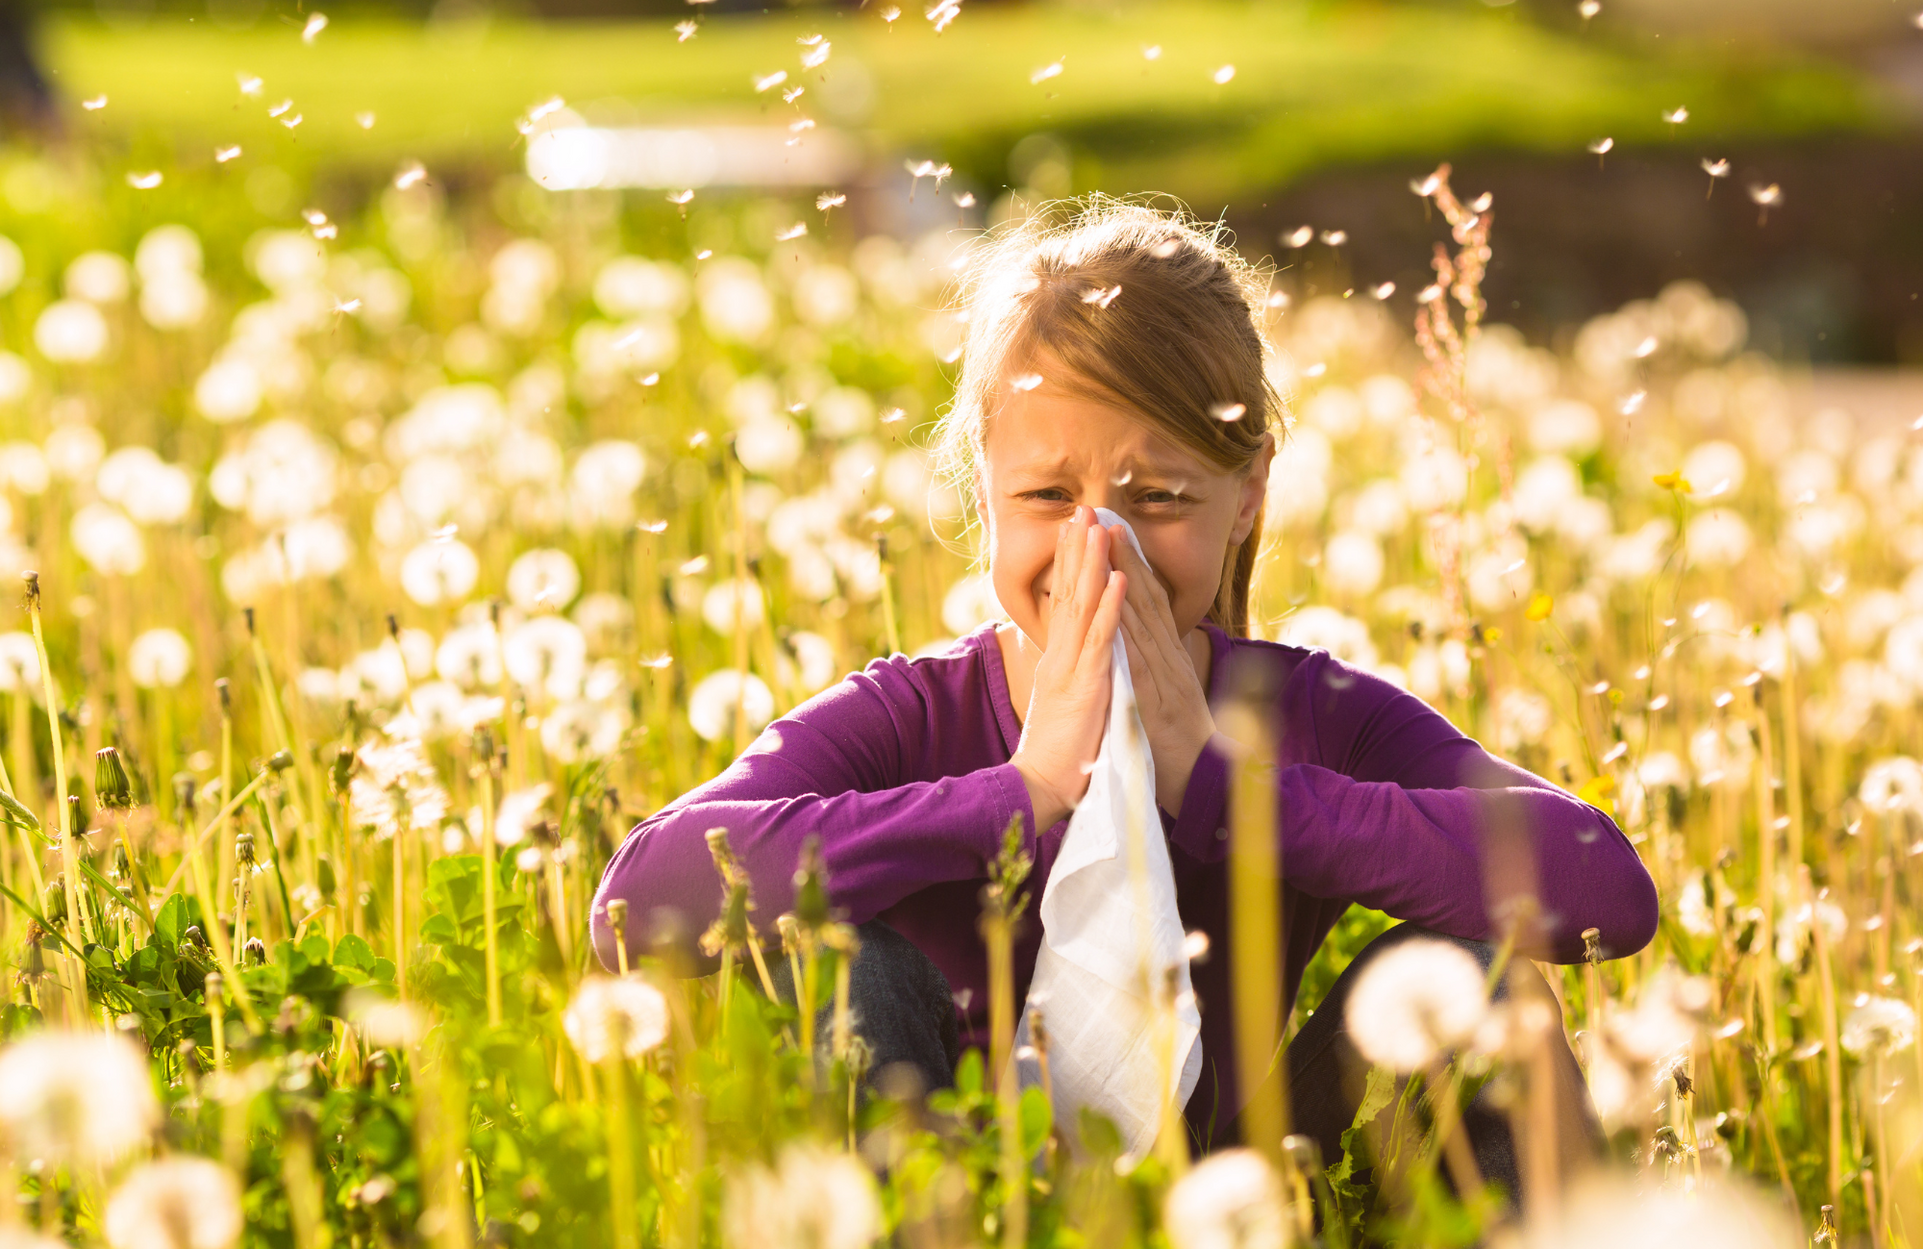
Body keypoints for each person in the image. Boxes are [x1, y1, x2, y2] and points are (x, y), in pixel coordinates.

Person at [590, 200, 1658, 1201]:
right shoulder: (912, 715)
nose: (1102, 546)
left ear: (1247, 497)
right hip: (953, 1187)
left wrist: (1232, 791)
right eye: (1049, 496)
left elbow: (1605, 888)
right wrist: (1021, 791)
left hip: (1239, 1193)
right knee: (843, 964)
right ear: (983, 486)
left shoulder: (1310, 712)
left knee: (1480, 982)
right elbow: (637, 901)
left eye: (1159, 498)